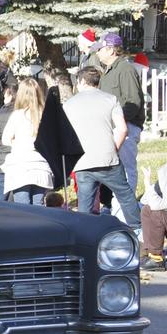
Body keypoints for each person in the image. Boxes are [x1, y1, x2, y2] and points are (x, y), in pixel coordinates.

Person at [63, 66, 141, 231]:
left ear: (82, 81)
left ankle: (85, 233)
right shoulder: (111, 99)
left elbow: (65, 134)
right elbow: (122, 129)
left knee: (85, 202)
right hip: (107, 157)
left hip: (82, 159)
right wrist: (114, 148)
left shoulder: (69, 104)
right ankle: (137, 228)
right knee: (125, 195)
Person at [96, 33, 145, 196]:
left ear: (111, 50)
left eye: (101, 49)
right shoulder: (108, 72)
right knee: (113, 171)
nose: (97, 53)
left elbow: (133, 102)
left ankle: (127, 210)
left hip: (126, 128)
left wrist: (118, 123)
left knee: (126, 169)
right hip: (112, 128)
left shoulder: (126, 69)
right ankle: (113, 206)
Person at [0, 78, 53, 205]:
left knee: (22, 208)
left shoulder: (17, 115)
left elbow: (5, 139)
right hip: (41, 167)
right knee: (38, 206)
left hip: (20, 166)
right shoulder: (47, 115)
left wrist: (17, 142)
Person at [139, 161, 167, 271]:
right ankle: (149, 253)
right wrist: (155, 187)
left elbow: (156, 205)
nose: (164, 182)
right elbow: (144, 200)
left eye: (165, 178)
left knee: (157, 213)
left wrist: (147, 184)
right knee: (146, 210)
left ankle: (156, 259)